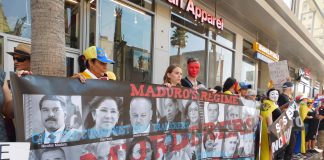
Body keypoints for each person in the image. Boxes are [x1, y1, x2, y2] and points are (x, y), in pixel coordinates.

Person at [260, 88, 281, 160]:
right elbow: (268, 116)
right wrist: (270, 129)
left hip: (276, 129)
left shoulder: (274, 104)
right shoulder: (266, 103)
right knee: (269, 149)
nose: (275, 96)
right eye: (272, 94)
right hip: (271, 130)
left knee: (272, 150)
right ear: (268, 95)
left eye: (277, 94)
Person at [277, 81, 295, 160]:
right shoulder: (282, 97)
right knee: (285, 147)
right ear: (290, 89)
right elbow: (280, 109)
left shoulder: (288, 97)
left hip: (290, 124)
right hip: (285, 125)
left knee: (290, 146)